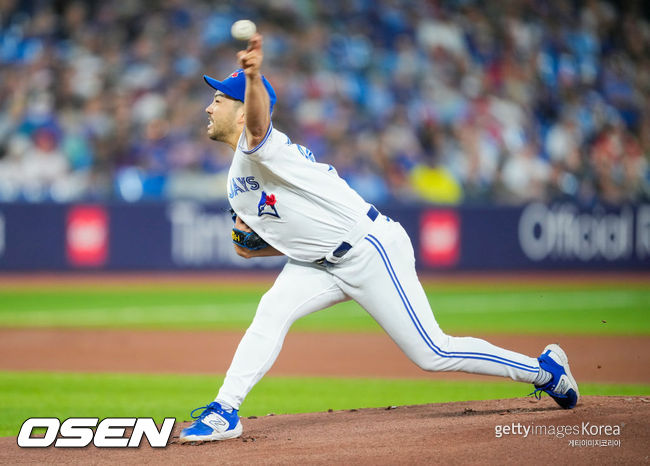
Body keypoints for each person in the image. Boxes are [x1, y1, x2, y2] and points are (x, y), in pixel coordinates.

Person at [179, 34, 579, 443]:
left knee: (432, 353)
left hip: (369, 248)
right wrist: (251, 245)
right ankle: (225, 409)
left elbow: (260, 123)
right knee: (271, 310)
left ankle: (544, 370)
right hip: (318, 263)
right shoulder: (235, 182)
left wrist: (254, 75)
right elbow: (249, 248)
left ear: (243, 109)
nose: (208, 106)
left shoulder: (265, 147)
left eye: (219, 100)